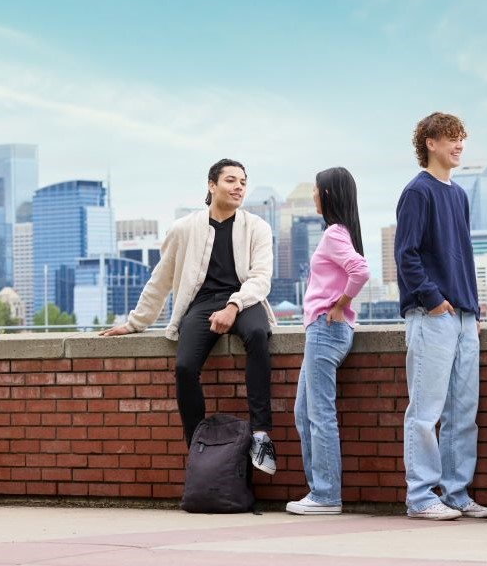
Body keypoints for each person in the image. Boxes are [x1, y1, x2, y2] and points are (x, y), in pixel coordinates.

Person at [99, 158, 278, 476]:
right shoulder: (184, 229)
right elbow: (161, 278)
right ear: (212, 185)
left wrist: (234, 306)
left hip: (244, 301)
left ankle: (261, 435)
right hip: (202, 303)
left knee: (257, 335)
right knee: (183, 367)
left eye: (243, 182)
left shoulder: (257, 228)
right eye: (230, 181)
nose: (239, 187)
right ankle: (197, 444)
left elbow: (261, 279)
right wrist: (135, 322)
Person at [395, 112, 487, 521]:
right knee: (425, 410)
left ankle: (456, 493)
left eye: (461, 139)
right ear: (430, 144)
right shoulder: (418, 192)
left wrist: (471, 306)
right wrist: (434, 299)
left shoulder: (458, 195)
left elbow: (463, 258)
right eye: (450, 138)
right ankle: (420, 496)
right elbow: (407, 255)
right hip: (431, 315)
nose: (458, 145)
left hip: (464, 316)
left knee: (462, 410)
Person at [287, 167, 371, 516]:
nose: (314, 196)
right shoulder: (342, 232)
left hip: (325, 328)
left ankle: (325, 494)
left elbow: (361, 270)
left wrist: (340, 303)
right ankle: (318, 490)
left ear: (329, 194)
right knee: (303, 411)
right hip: (323, 329)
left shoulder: (334, 234)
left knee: (319, 413)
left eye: (317, 190)